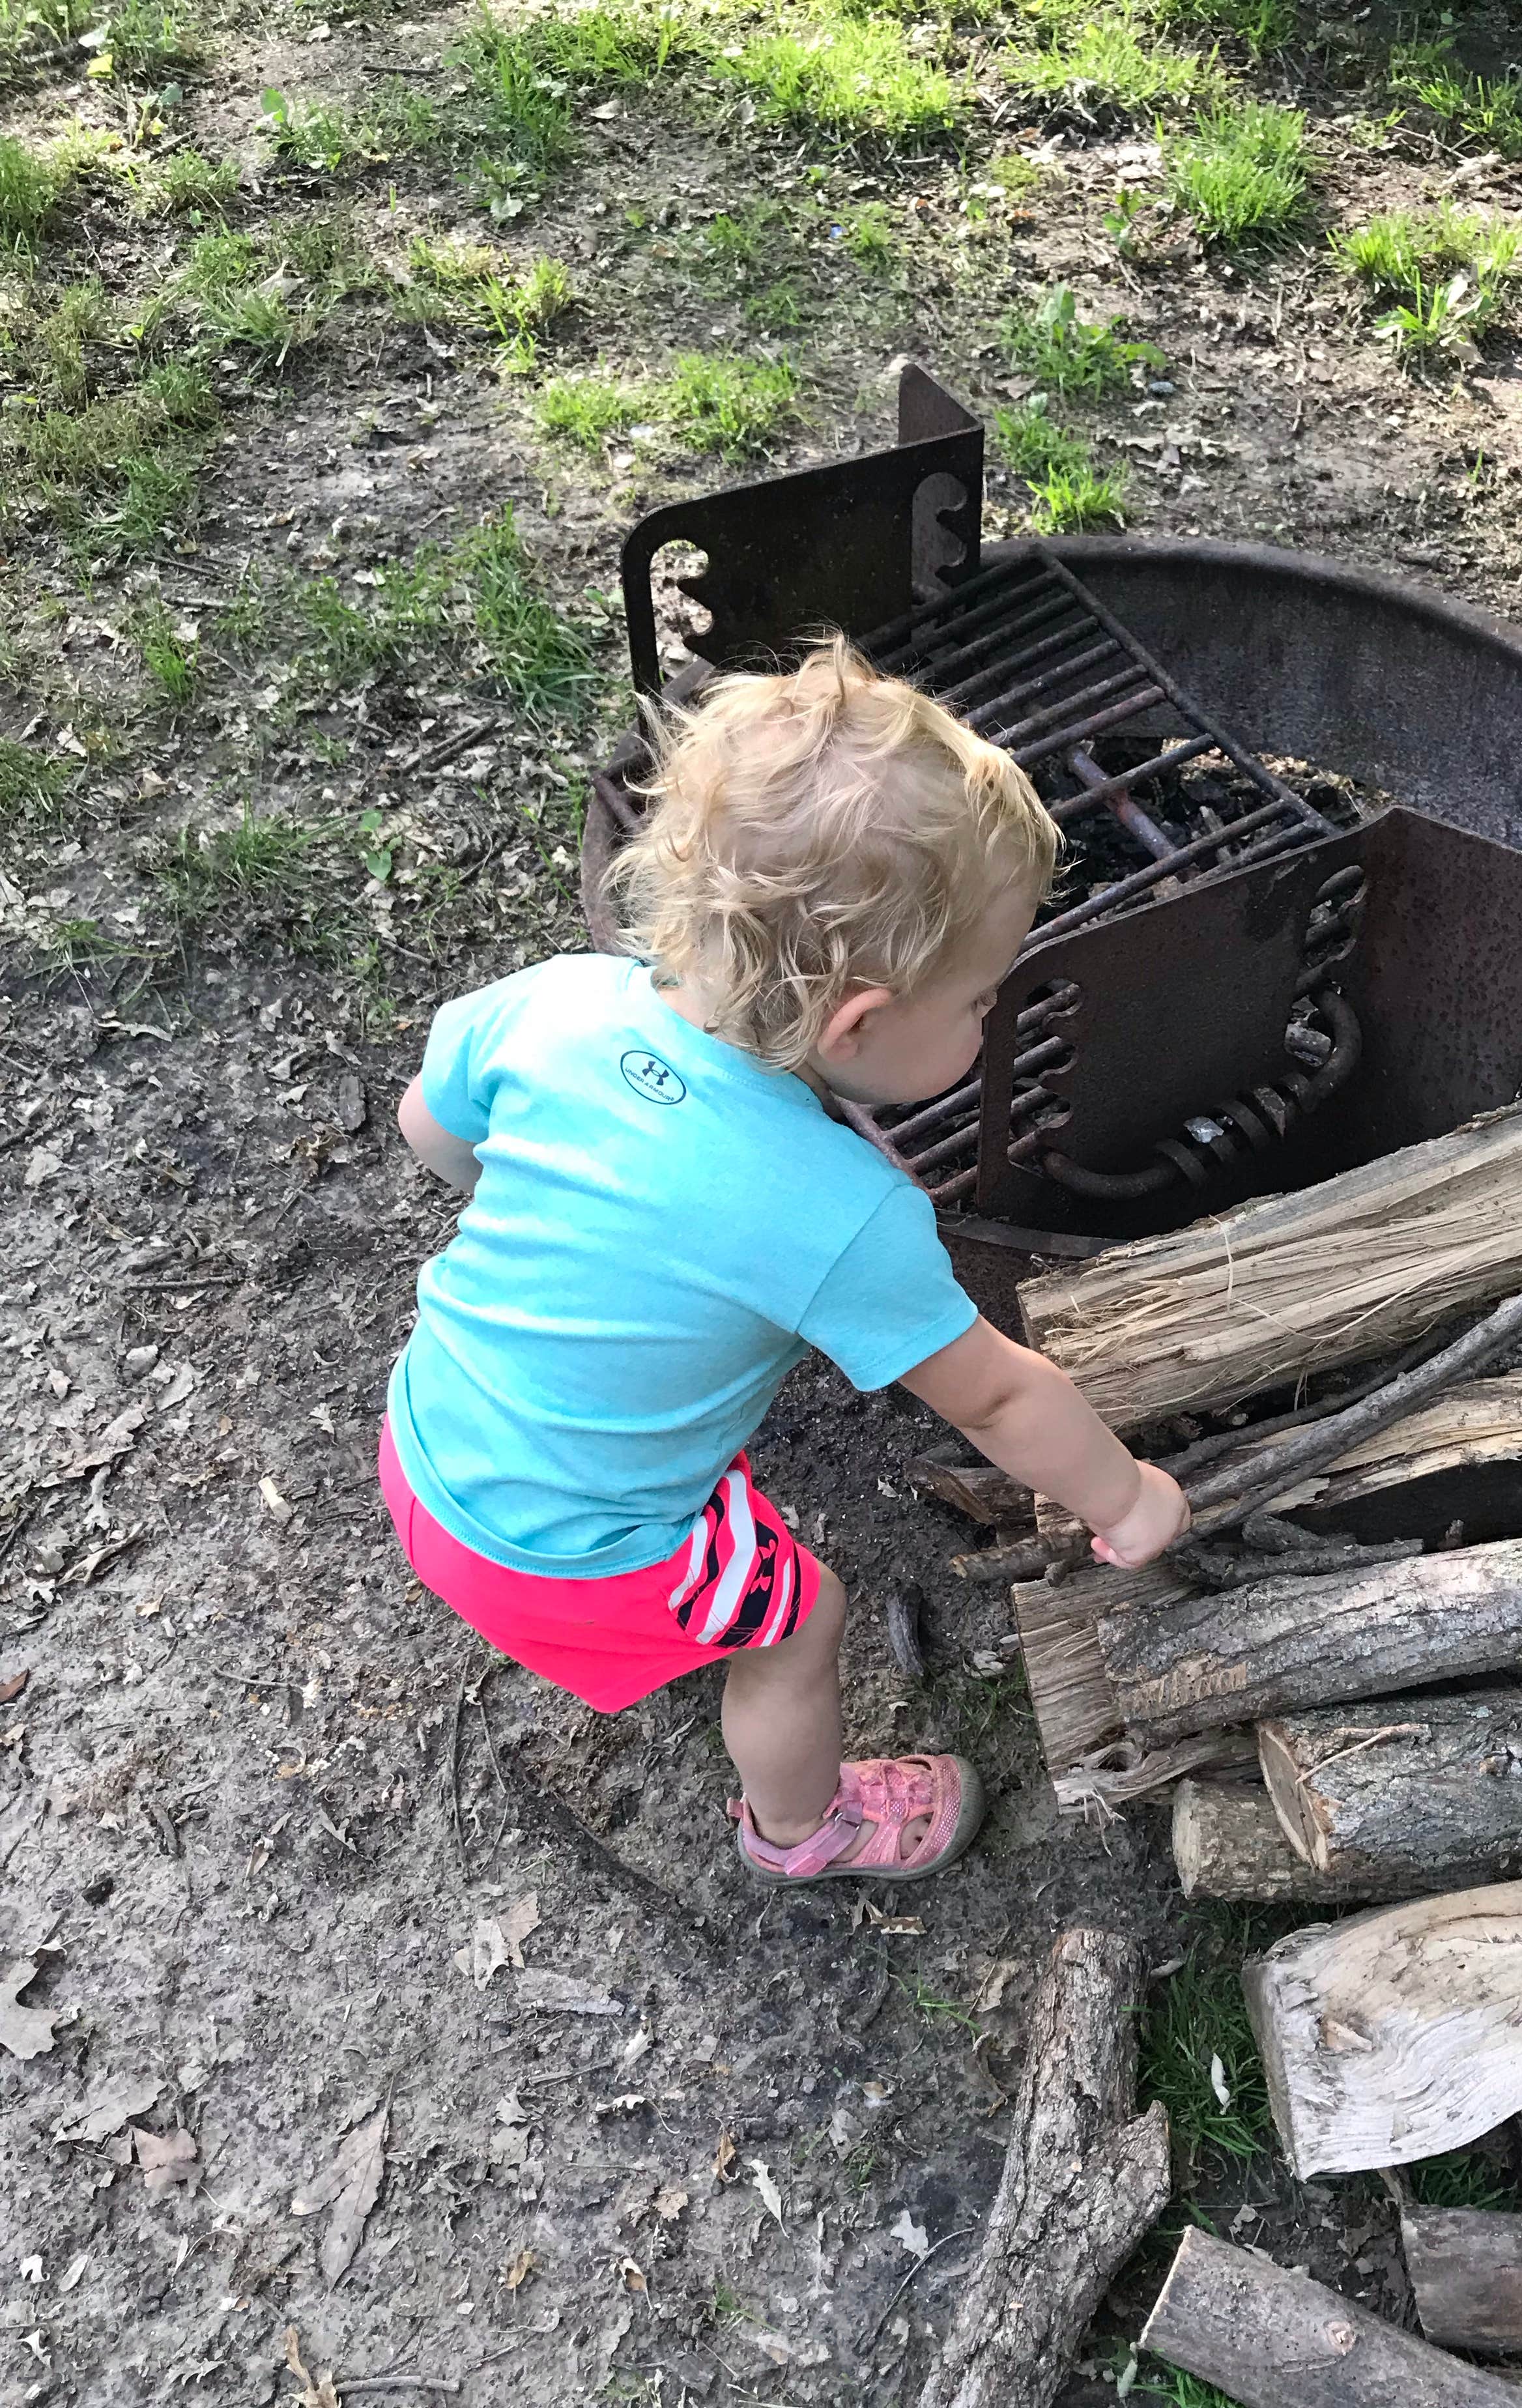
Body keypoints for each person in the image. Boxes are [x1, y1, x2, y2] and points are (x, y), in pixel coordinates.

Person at [381, 636, 1190, 1884]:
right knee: (797, 1619)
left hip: (425, 1436)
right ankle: (805, 1832)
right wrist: (1127, 1502)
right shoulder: (840, 1213)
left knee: (700, 1533)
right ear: (859, 1021)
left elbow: (429, 1134)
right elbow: (1001, 1393)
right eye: (982, 1001)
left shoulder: (557, 1002)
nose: (990, 1020)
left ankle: (632, 1621)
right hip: (555, 1546)